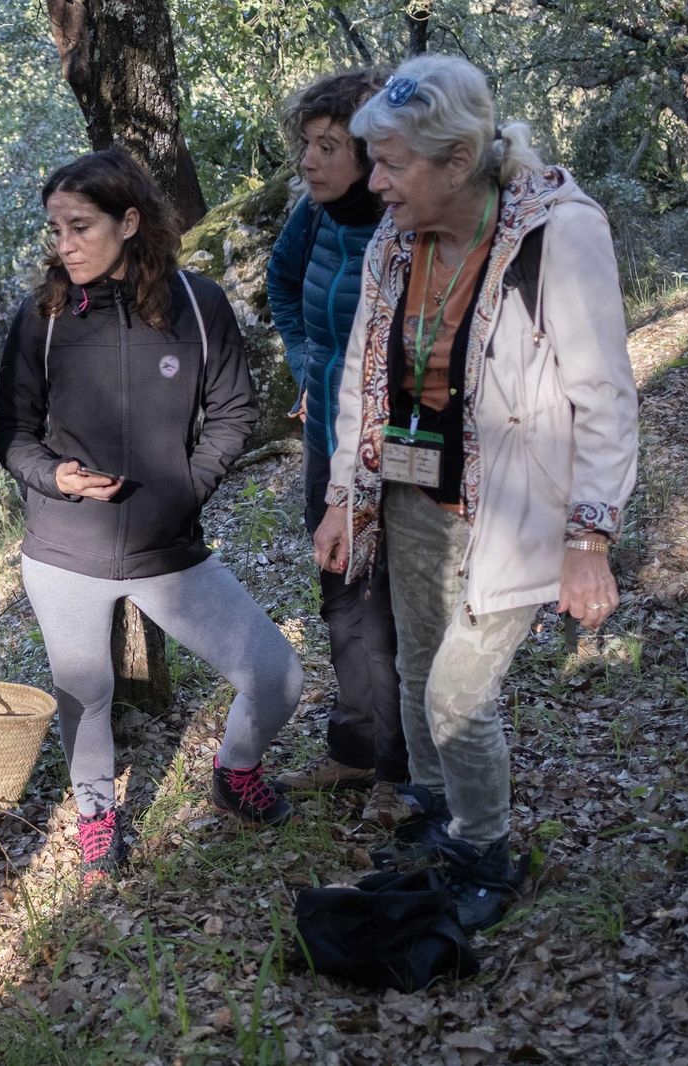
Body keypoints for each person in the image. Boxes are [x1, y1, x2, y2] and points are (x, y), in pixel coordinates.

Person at [314, 55, 639, 931]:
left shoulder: (555, 231)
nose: (372, 182)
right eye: (369, 160)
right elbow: (359, 377)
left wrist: (590, 539)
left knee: (458, 692)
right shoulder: (394, 233)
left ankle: (483, 846)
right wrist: (348, 497)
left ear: (455, 161)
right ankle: (432, 810)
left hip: (515, 511)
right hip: (412, 495)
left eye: (389, 164)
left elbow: (604, 394)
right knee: (417, 667)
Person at [0, 147, 304, 883]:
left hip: (168, 550)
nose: (63, 244)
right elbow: (9, 429)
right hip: (64, 550)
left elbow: (234, 409)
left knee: (276, 675)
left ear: (129, 222)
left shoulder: (197, 305)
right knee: (86, 692)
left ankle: (235, 772)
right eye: (55, 229)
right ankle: (97, 815)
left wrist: (183, 487)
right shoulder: (43, 318)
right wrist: (54, 475)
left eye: (80, 227)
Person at [266, 70, 411, 825]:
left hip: (390, 447)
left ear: (369, 153)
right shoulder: (313, 216)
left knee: (384, 603)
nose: (310, 163)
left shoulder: (404, 225)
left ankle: (400, 767)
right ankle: (353, 752)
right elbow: (282, 285)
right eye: (308, 146)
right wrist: (305, 364)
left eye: (327, 147)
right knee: (339, 596)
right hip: (327, 431)